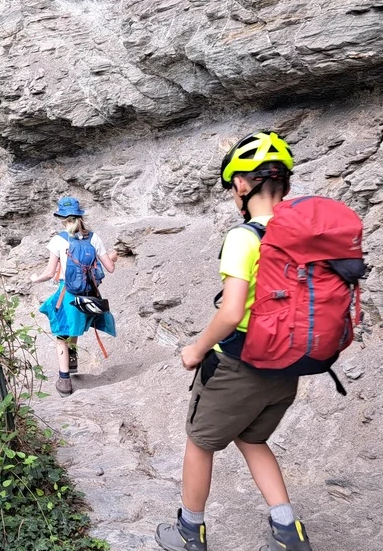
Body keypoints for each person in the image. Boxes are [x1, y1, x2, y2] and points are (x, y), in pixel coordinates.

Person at [155, 131, 312, 551]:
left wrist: (196, 349)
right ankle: (288, 530)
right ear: (286, 184)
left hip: (240, 365)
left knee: (199, 443)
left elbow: (230, 312)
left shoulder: (245, 237)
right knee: (252, 438)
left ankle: (190, 532)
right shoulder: (305, 233)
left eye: (232, 188)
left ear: (243, 184)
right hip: (289, 364)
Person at [28, 197, 118, 397]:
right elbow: (109, 268)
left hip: (67, 293)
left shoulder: (58, 240)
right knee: (74, 327)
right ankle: (73, 359)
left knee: (61, 334)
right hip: (88, 295)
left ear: (62, 217)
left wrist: (35, 279)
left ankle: (65, 380)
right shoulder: (94, 238)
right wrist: (112, 257)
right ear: (80, 216)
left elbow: (50, 273)